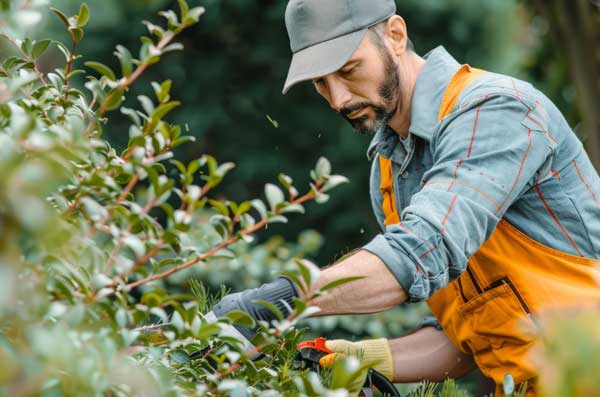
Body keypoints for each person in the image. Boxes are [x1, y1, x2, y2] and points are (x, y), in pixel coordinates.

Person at [213, 0, 600, 395]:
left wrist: (282, 298)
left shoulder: (497, 111)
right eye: (321, 83)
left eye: (348, 70)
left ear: (395, 35)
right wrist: (359, 358)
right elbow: (470, 337)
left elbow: (423, 248)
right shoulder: (389, 174)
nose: (337, 99)